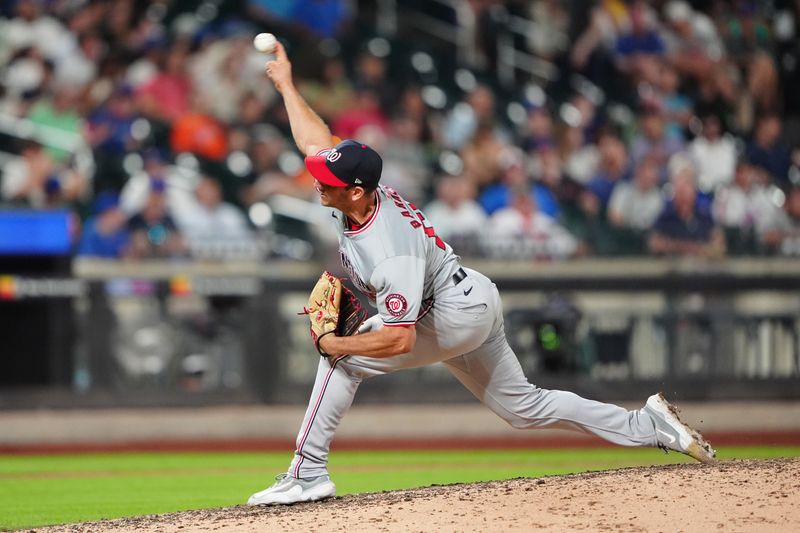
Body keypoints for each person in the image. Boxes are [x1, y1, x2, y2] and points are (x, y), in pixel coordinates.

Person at [246, 42, 716, 506]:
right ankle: (647, 424)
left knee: (341, 362)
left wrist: (337, 344)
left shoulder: (389, 250)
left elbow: (400, 340)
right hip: (471, 296)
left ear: (354, 192)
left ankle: (307, 473)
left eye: (328, 182)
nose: (317, 182)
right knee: (524, 407)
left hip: (448, 313)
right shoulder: (361, 192)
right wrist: (287, 85)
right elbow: (316, 142)